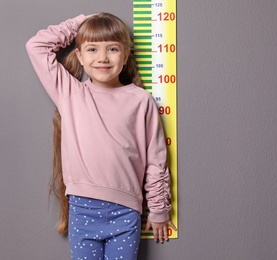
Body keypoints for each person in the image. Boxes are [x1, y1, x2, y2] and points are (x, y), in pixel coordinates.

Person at [26, 13, 176, 259]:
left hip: (126, 213)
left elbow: (156, 159)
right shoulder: (71, 94)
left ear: (126, 56)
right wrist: (83, 21)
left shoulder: (141, 100)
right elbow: (36, 46)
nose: (103, 58)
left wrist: (159, 210)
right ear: (81, 57)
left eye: (113, 49)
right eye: (93, 49)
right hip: (82, 211)